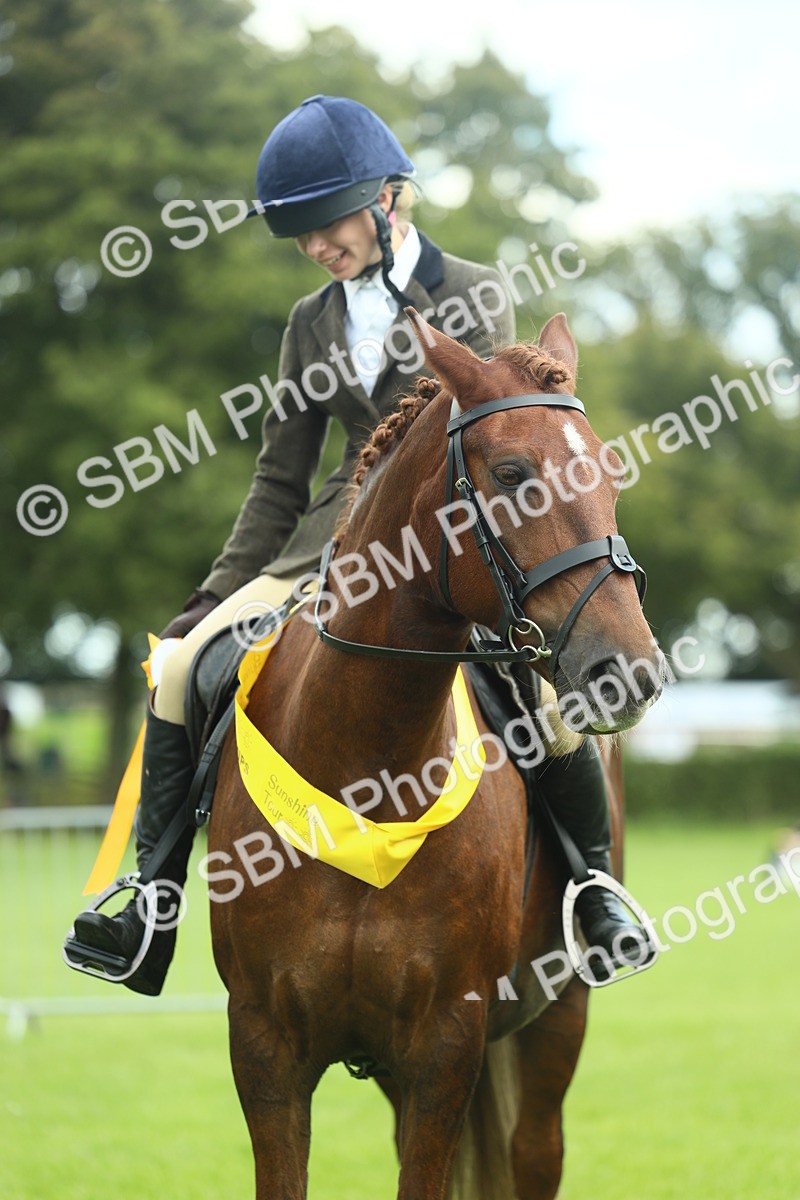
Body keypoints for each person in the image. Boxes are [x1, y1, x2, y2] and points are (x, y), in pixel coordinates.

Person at [66, 95, 648, 994]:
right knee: (182, 667)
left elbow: (509, 440)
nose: (313, 247)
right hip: (319, 548)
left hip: (457, 542)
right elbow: (278, 480)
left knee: (547, 698)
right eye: (297, 235)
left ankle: (594, 886)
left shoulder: (477, 290)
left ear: (386, 199)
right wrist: (215, 595)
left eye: (323, 224)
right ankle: (150, 898)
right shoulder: (309, 323)